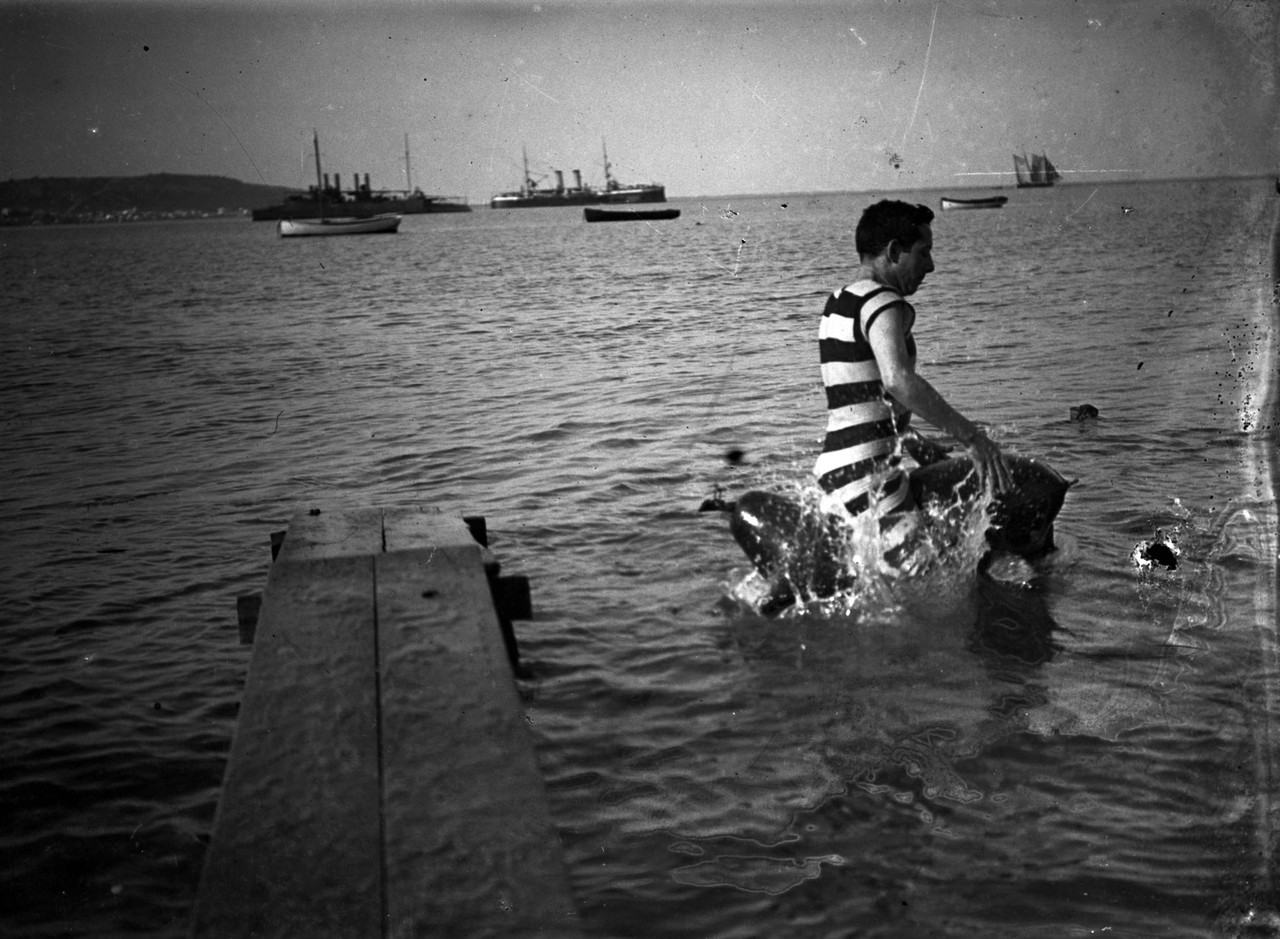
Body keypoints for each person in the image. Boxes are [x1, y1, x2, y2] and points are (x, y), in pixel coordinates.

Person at [813, 199, 1012, 556]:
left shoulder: (838, 302)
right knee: (926, 589)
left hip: (836, 472)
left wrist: (913, 442)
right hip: (870, 479)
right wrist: (974, 439)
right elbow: (898, 381)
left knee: (873, 587)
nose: (931, 266)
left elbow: (861, 400)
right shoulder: (884, 302)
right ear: (893, 251)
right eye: (924, 252)